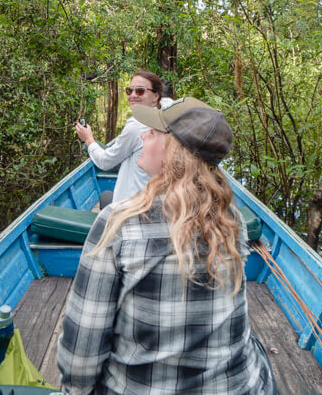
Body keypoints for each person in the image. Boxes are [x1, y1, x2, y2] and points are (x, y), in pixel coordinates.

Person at [58, 97, 277, 395]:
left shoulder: (118, 223)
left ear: (174, 152)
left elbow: (80, 359)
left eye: (153, 132)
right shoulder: (230, 217)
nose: (143, 135)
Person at [75, 69, 163, 205]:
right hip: (150, 200)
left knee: (105, 197)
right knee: (106, 196)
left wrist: (89, 139)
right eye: (129, 90)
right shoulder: (163, 119)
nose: (132, 95)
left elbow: (105, 162)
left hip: (131, 206)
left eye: (140, 91)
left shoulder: (136, 126)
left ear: (155, 96)